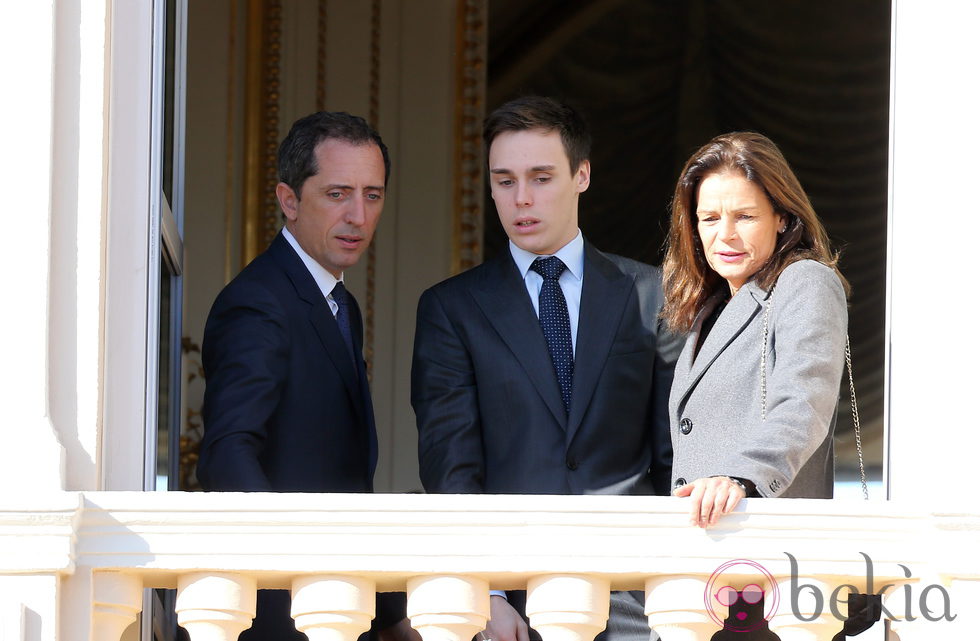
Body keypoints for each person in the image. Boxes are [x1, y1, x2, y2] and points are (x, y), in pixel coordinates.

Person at [412, 96, 681, 641]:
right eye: (504, 181)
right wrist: (484, 591)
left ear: (581, 175)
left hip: (634, 594)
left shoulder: (656, 294)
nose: (522, 199)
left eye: (541, 177)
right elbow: (451, 463)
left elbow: (676, 455)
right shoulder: (451, 308)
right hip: (511, 596)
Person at [197, 111, 410, 641]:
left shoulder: (339, 303)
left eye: (373, 195)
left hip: (335, 604)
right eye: (337, 194)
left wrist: (385, 616)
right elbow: (227, 457)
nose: (358, 216)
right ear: (288, 200)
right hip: (282, 615)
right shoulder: (258, 302)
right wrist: (288, 575)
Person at [661, 131, 849, 529]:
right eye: (709, 218)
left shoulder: (804, 280)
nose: (725, 234)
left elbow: (804, 401)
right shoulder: (709, 308)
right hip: (707, 547)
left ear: (781, 217)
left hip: (763, 546)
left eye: (744, 216)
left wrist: (741, 477)